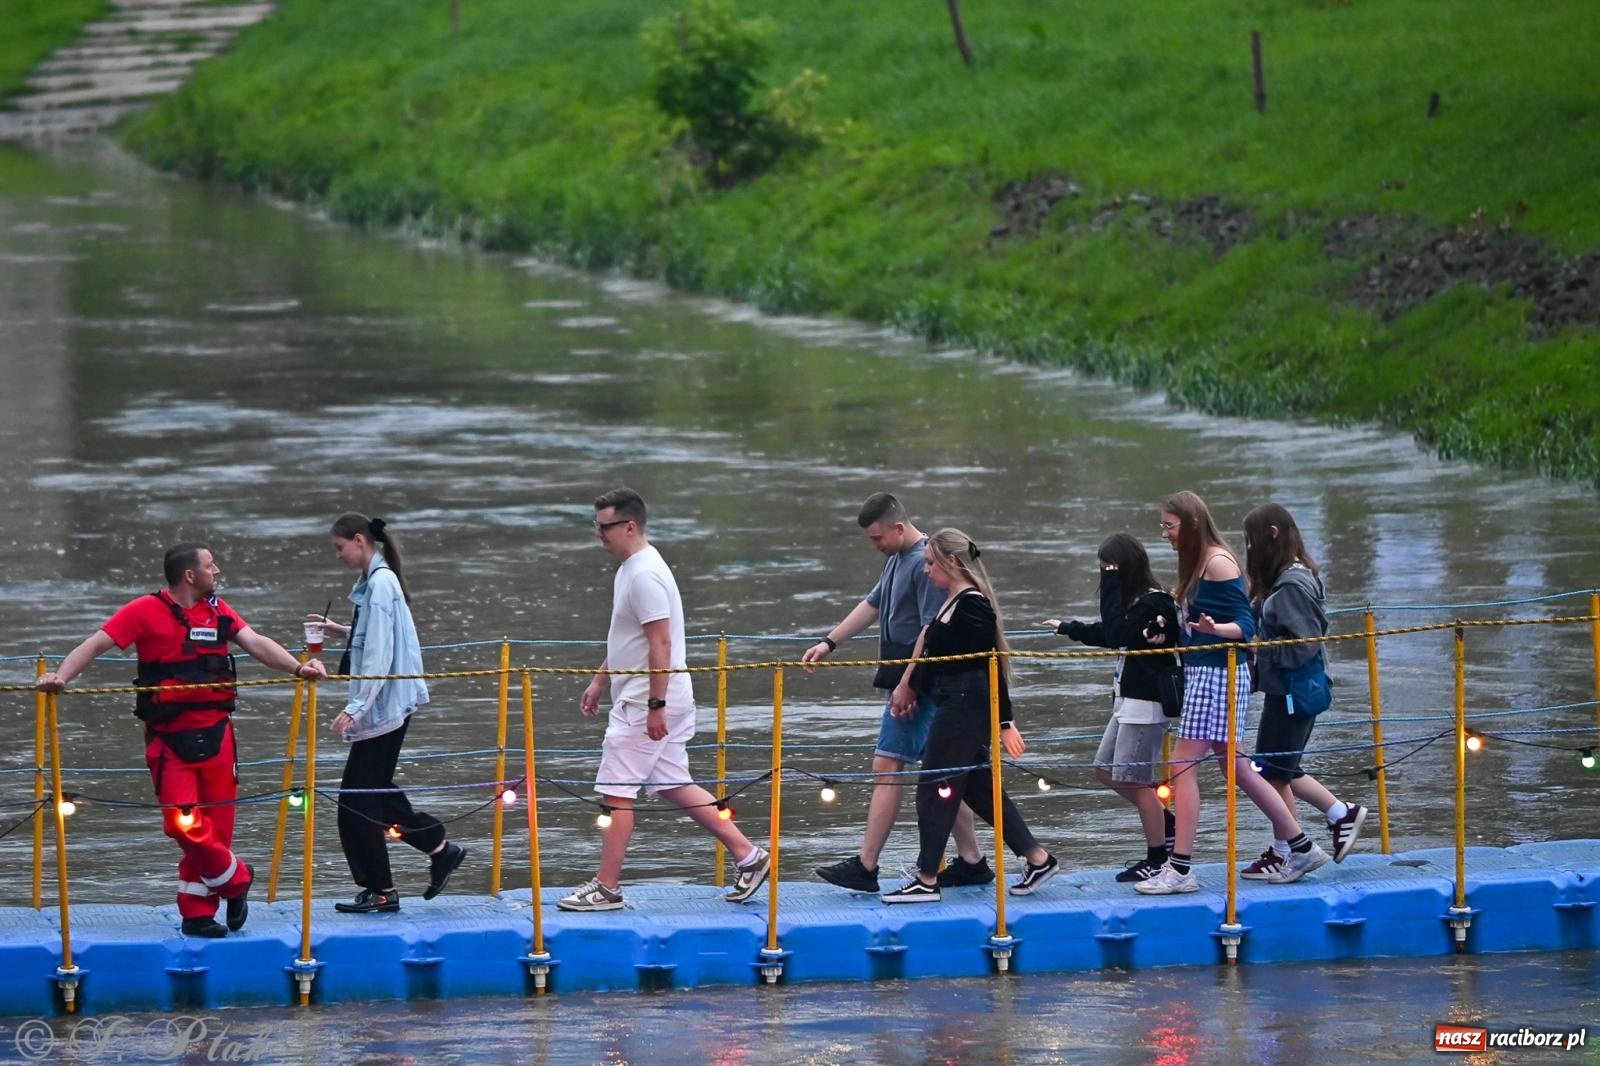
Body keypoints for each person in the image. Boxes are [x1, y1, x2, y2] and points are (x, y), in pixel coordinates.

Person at [36, 542, 326, 938]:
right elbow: (95, 644)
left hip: (218, 733)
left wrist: (298, 668)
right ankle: (237, 879)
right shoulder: (143, 610)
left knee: (216, 829)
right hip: (168, 737)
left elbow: (256, 642)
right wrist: (60, 678)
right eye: (210, 565)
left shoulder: (218, 610)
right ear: (190, 575)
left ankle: (197, 913)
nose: (216, 570)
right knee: (181, 823)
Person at [559, 487, 770, 911]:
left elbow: (661, 643)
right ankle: (750, 856)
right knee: (672, 783)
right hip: (653, 695)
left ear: (629, 526)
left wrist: (656, 706)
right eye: (596, 525)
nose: (598, 534)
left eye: (604, 526)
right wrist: (599, 681)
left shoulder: (644, 575)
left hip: (647, 701)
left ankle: (607, 887)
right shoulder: (631, 569)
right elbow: (630, 639)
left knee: (617, 792)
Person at [1136, 491, 1330, 895]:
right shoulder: (1199, 562)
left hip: (1217, 675)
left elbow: (1245, 624)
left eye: (1170, 526)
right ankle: (1301, 846)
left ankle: (1180, 868)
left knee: (1183, 767)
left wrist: (1214, 630)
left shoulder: (1218, 562)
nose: (1165, 533)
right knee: (1237, 768)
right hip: (1207, 671)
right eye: (1162, 526)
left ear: (1192, 523)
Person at [801, 493, 988, 894]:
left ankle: (867, 865)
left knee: (889, 766)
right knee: (943, 771)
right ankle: (972, 859)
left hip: (916, 685)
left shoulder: (925, 564)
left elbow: (929, 632)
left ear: (899, 528)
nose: (875, 546)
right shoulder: (895, 560)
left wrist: (909, 685)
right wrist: (829, 642)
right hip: (905, 681)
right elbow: (872, 604)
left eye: (877, 538)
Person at [879, 529, 1058, 903]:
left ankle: (926, 878)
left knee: (934, 786)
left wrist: (1005, 722)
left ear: (952, 562)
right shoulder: (951, 602)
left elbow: (991, 667)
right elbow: (935, 658)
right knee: (978, 788)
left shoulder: (973, 606)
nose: (926, 570)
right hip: (952, 698)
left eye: (930, 563)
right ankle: (1037, 858)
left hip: (965, 704)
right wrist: (909, 686)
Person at [306, 513, 465, 915]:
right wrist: (340, 631)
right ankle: (438, 847)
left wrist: (355, 709)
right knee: (370, 790)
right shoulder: (378, 581)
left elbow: (379, 653)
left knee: (357, 799)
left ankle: (381, 889)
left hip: (383, 702)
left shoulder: (380, 584)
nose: (338, 555)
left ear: (359, 541)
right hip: (388, 700)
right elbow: (377, 635)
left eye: (339, 547)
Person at [1239, 503, 1366, 879]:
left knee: (1270, 772)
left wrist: (1259, 648)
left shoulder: (1292, 585)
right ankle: (1335, 818)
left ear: (1272, 535)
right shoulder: (1287, 580)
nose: (1249, 549)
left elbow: (1305, 643)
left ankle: (1297, 848)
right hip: (1286, 690)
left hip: (1294, 693)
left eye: (1251, 540)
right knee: (1278, 768)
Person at [1044, 533, 1180, 883]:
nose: (1104, 574)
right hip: (1127, 702)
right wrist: (1068, 628)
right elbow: (1112, 633)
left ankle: (1157, 857)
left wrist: (1110, 584)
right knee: (1105, 770)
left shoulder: (1155, 604)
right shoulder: (1139, 605)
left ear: (1124, 568)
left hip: (1145, 705)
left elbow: (1118, 634)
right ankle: (1167, 825)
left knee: (1135, 781)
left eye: (1108, 568)